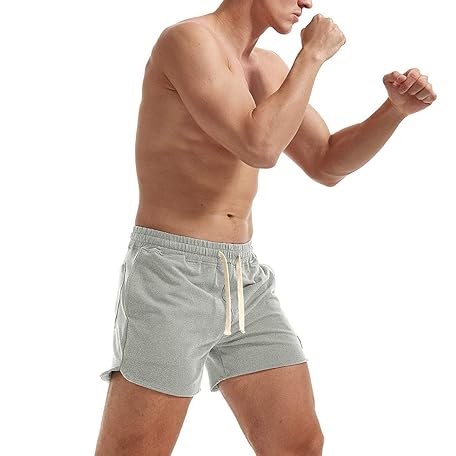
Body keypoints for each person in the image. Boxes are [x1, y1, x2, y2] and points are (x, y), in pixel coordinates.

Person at [95, 0, 437, 454]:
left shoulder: (268, 67)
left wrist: (393, 111)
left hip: (244, 279)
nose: (307, 3)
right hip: (173, 275)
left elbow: (326, 162)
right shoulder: (188, 41)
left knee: (299, 444)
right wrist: (312, 56)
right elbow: (259, 146)